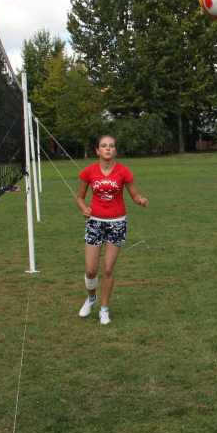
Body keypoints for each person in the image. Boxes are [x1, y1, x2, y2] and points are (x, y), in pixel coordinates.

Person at [75, 134, 149, 325]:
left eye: (111, 146)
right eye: (104, 146)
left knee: (108, 269)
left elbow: (134, 194)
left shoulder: (124, 172)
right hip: (95, 223)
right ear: (97, 150)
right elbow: (80, 197)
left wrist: (140, 200)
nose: (108, 148)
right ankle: (91, 298)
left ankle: (104, 308)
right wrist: (84, 209)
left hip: (117, 223)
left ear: (115, 150)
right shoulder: (88, 172)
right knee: (91, 270)